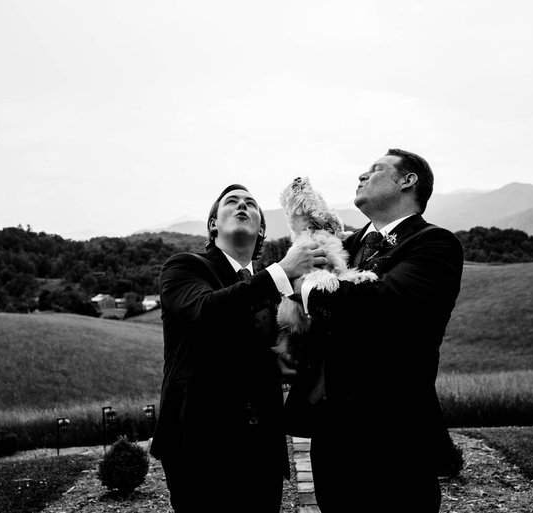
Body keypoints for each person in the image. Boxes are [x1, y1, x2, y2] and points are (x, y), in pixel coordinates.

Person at [290, 148, 465, 512]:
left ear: (407, 181)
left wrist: (305, 286)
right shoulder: (348, 245)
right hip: (332, 436)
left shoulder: (435, 244)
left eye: (375, 169)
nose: (361, 175)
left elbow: (381, 304)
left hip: (393, 436)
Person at [149, 183, 325, 513]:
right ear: (213, 223)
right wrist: (281, 272)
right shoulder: (184, 267)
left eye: (250, 203)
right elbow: (206, 310)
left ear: (261, 229)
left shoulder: (277, 287)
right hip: (200, 444)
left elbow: (289, 356)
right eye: (231, 202)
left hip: (262, 448)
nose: (242, 205)